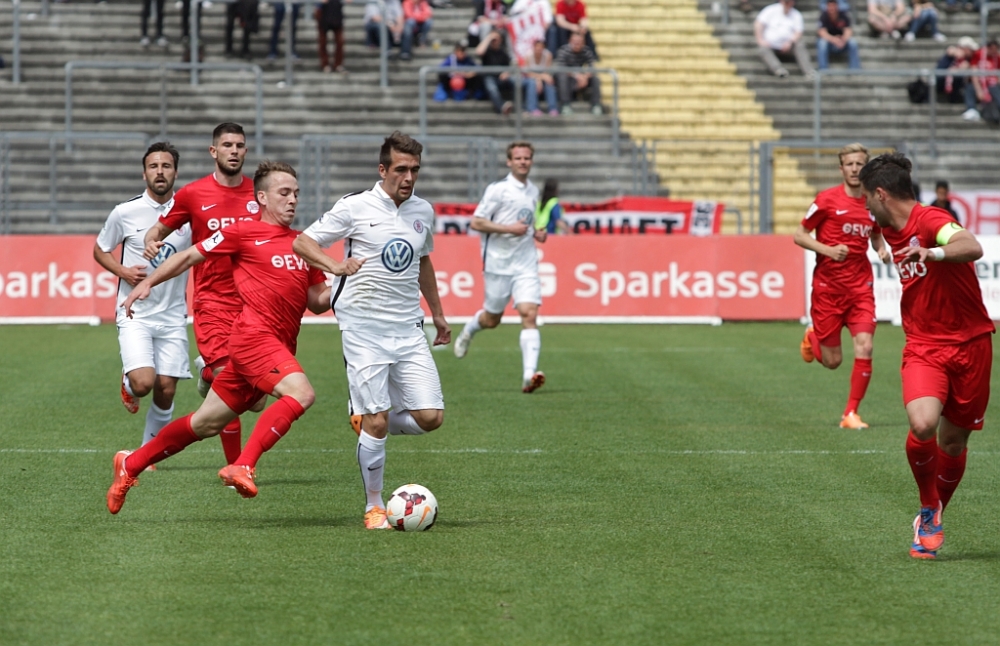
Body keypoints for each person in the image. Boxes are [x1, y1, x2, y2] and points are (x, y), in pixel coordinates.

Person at [106, 162, 357, 514]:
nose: (293, 200)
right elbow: (188, 256)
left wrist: (348, 285)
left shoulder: (304, 245)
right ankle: (244, 465)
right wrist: (147, 282)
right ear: (262, 197)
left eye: (296, 194)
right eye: (284, 193)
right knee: (302, 393)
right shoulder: (242, 232)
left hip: (275, 345)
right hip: (253, 338)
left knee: (205, 424)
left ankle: (130, 465)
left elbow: (317, 301)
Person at [292, 131, 450, 530]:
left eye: (415, 170)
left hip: (408, 327)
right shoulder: (355, 207)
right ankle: (374, 506)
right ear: (383, 170)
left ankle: (364, 417)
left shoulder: (423, 210)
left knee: (431, 417)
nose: (409, 177)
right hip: (363, 328)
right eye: (401, 169)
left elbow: (423, 262)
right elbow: (303, 242)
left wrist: (438, 314)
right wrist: (335, 266)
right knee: (378, 422)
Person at [859, 152, 994, 559]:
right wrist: (879, 247)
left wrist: (932, 253)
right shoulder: (885, 224)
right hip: (924, 345)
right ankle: (927, 505)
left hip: (971, 343)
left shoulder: (932, 220)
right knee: (922, 424)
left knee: (952, 443)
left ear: (881, 194)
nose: (865, 205)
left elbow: (971, 245)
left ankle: (932, 516)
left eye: (867, 197)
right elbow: (873, 229)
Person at [143, 122, 258, 466]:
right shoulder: (194, 194)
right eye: (227, 145)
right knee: (230, 388)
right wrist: (151, 242)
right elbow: (157, 229)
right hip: (213, 304)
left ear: (245, 151)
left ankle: (205, 373)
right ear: (214, 151)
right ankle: (237, 469)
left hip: (253, 304)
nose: (234, 151)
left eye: (239, 145)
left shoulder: (260, 194)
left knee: (256, 400)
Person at [93, 142, 192, 460]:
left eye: (166, 166)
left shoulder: (189, 214)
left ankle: (147, 454)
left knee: (167, 389)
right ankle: (128, 381)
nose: (160, 172)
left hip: (173, 314)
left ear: (175, 172)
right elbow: (100, 249)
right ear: (144, 173)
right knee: (143, 384)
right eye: (153, 166)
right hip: (135, 311)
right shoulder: (125, 212)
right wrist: (122, 271)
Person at [794, 143, 891, 429]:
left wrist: (881, 249)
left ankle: (851, 414)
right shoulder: (826, 200)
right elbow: (800, 235)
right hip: (829, 289)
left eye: (859, 164)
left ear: (866, 167)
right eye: (849, 164)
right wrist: (827, 250)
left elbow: (875, 235)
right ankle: (812, 336)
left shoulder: (874, 202)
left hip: (860, 287)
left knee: (866, 345)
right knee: (832, 361)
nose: (855, 169)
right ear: (841, 169)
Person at [453, 141, 547, 393]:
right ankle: (469, 330)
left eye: (527, 158)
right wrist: (508, 229)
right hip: (498, 263)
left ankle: (528, 375)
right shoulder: (498, 190)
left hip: (525, 263)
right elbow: (476, 222)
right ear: (509, 162)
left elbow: (528, 223)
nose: (523, 162)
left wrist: (537, 232)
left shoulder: (533, 191)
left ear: (531, 161)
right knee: (492, 319)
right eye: (518, 158)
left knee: (529, 313)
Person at [755, 0, 814, 78]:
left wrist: (790, 42)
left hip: (789, 46)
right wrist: (760, 39)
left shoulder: (796, 14)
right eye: (786, 2)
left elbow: (799, 32)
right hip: (771, 45)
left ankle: (808, 71)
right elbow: (759, 23)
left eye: (789, 2)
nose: (788, 4)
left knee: (800, 45)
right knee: (763, 49)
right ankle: (778, 69)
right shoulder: (770, 10)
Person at [555, 31, 603, 114]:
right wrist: (577, 76)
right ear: (570, 41)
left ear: (583, 42)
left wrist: (585, 77)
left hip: (581, 78)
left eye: (579, 42)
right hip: (568, 78)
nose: (577, 44)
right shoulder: (563, 51)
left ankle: (596, 105)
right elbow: (561, 68)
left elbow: (592, 67)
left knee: (595, 78)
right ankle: (565, 105)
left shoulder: (587, 51)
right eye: (575, 42)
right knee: (562, 77)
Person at [476, 30, 515, 115]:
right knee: (491, 87)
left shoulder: (503, 52)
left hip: (501, 78)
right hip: (489, 78)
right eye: (493, 39)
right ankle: (502, 107)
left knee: (517, 81)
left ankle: (522, 107)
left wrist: (506, 73)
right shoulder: (487, 51)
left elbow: (509, 67)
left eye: (496, 39)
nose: (494, 40)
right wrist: (489, 38)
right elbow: (479, 51)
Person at [817, 0, 860, 70]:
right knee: (822, 43)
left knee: (853, 42)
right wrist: (834, 39)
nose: (832, 8)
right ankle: (823, 69)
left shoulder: (843, 15)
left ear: (837, 6)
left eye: (833, 6)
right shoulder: (823, 16)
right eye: (830, 6)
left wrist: (843, 39)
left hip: (842, 42)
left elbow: (848, 30)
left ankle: (854, 69)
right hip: (829, 43)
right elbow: (821, 32)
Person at [936, 36, 977, 109]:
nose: (972, 52)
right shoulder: (950, 57)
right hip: (943, 82)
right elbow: (939, 72)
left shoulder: (969, 59)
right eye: (970, 49)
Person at [523, 39, 559, 116]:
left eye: (541, 47)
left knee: (549, 82)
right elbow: (528, 73)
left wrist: (540, 78)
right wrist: (538, 79)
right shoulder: (528, 55)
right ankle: (532, 108)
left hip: (543, 77)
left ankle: (553, 108)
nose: (539, 49)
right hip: (531, 78)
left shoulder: (548, 55)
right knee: (532, 83)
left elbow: (547, 72)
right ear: (534, 47)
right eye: (537, 47)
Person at [967, 38, 1000, 123]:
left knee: (995, 89)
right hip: (979, 83)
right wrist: (979, 90)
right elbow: (974, 73)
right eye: (992, 49)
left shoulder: (997, 57)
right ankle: (971, 109)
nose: (994, 52)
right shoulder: (978, 54)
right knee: (970, 87)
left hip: (992, 84)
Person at [316, 0, 347, 73]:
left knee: (340, 41)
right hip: (323, 11)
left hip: (336, 11)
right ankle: (325, 64)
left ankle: (338, 64)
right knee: (322, 41)